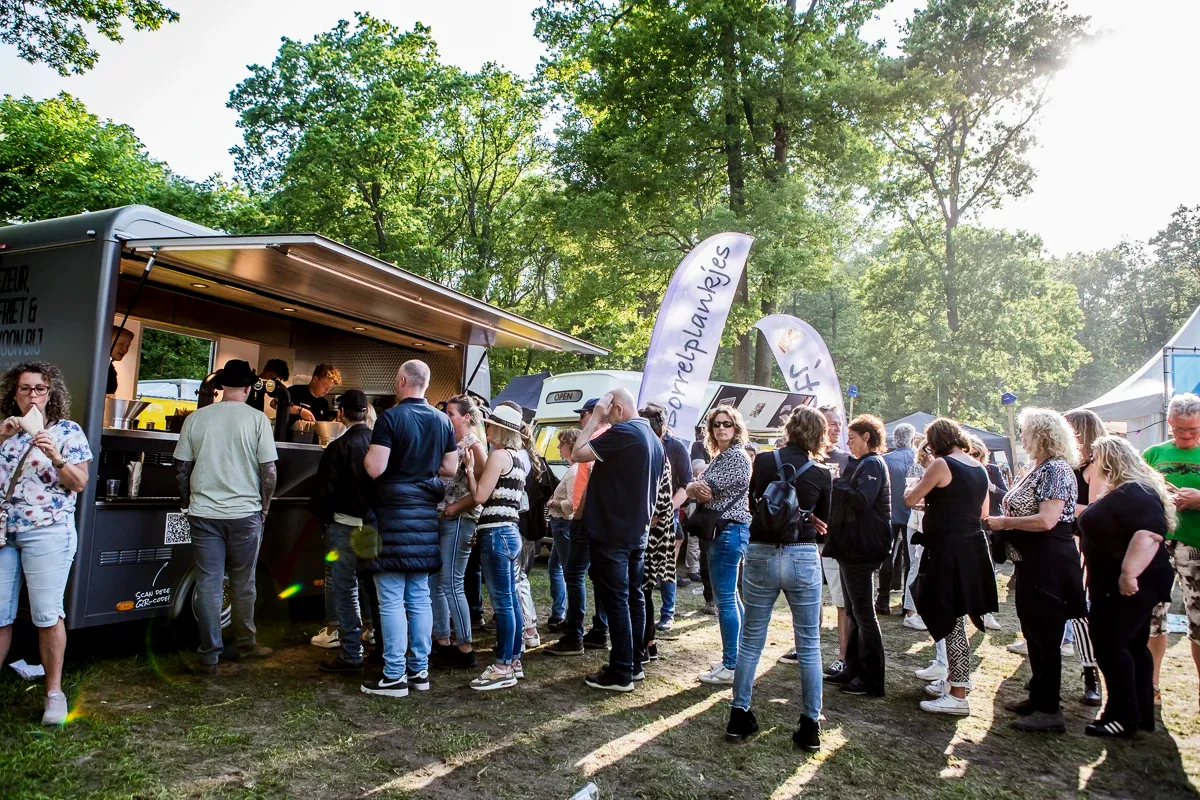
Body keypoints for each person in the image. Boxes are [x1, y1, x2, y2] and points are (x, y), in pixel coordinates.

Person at [725, 406, 832, 748]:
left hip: (761, 552)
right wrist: (807, 515)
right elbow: (825, 521)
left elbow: (754, 502)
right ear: (819, 435)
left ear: (789, 428)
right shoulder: (822, 473)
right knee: (809, 643)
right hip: (802, 553)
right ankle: (811, 724)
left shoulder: (764, 461)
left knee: (751, 640)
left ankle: (739, 715)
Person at [0, 362, 93, 724]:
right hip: (4, 532)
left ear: (50, 394)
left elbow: (79, 483)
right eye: (25, 389)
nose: (32, 395)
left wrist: (55, 456)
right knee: (0, 614)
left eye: (40, 389)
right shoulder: (6, 430)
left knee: (46, 614)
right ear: (14, 394)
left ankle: (54, 693)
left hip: (48, 530)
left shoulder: (68, 431)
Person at [174, 360, 278, 675]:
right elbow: (269, 471)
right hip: (245, 514)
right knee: (243, 582)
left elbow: (181, 468)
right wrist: (264, 507)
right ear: (248, 388)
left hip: (203, 513)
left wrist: (186, 503)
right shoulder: (258, 420)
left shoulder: (196, 418)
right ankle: (246, 645)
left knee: (208, 582)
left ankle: (209, 655)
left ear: (220, 387)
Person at [360, 361, 457, 698]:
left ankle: (393, 676)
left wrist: (367, 458)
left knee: (390, 599)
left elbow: (376, 467)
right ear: (426, 383)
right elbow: (450, 467)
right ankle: (419, 671)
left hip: (391, 515)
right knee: (418, 597)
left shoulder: (390, 418)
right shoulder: (443, 420)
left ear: (402, 380)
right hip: (424, 518)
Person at [986, 408, 1085, 733]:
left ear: (1041, 435)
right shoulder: (1038, 467)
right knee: (1033, 631)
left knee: (1046, 634)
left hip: (1049, 562)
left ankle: (1050, 708)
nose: (1022, 437)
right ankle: (1039, 695)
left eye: (1025, 432)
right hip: (1030, 561)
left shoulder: (1056, 469)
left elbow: (1047, 520)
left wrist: (1004, 523)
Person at [1077, 435, 1175, 737]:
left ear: (1108, 461)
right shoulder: (1128, 490)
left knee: (1109, 645)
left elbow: (1149, 534)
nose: (1090, 464)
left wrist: (1129, 573)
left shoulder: (1134, 492)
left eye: (1094, 458)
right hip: (1118, 584)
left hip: (1125, 586)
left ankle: (1121, 716)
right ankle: (1140, 713)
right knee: (1132, 645)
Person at [572, 388, 664, 692]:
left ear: (618, 409)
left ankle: (621, 671)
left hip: (612, 531)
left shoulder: (624, 431)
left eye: (608, 412)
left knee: (617, 600)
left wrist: (595, 417)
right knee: (633, 597)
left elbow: (577, 453)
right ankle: (634, 664)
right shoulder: (653, 438)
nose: (606, 419)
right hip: (636, 531)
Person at [904, 419, 999, 716]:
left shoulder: (942, 464)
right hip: (972, 547)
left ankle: (958, 692)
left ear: (936, 442)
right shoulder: (979, 467)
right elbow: (983, 512)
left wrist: (923, 493)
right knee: (955, 614)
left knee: (951, 617)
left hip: (948, 550)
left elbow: (909, 498)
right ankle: (952, 680)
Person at [824, 414, 891, 698]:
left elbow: (863, 500)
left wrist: (836, 481)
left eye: (851, 438)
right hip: (851, 547)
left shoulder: (873, 464)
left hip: (861, 548)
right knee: (854, 611)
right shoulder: (864, 464)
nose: (848, 443)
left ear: (867, 437)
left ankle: (872, 678)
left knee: (864, 614)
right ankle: (852, 668)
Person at [464, 404, 530, 690]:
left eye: (490, 424)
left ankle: (502, 667)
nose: (486, 428)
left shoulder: (499, 455)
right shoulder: (518, 459)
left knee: (502, 603)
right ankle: (513, 661)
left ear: (500, 429)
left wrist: (469, 470)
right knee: (511, 600)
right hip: (511, 533)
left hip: (496, 534)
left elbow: (480, 496)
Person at [308, 390, 374, 672]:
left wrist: (325, 523)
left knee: (345, 591)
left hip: (343, 525)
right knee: (374, 588)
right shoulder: (380, 445)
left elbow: (324, 492)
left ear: (342, 413)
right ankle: (380, 645)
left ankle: (351, 653)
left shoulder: (337, 447)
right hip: (372, 527)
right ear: (366, 412)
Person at [687, 406, 752, 686]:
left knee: (725, 599)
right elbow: (696, 487)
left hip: (728, 532)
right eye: (716, 424)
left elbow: (704, 490)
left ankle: (731, 664)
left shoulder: (735, 457)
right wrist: (695, 486)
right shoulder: (723, 457)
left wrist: (695, 486)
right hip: (725, 532)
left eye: (727, 424)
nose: (721, 428)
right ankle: (738, 660)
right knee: (731, 597)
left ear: (736, 428)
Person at [1144, 392, 1200, 711]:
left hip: (1197, 546)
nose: (1186, 436)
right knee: (1153, 616)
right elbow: (1135, 492)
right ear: (1169, 423)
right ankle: (1150, 686)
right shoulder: (1153, 454)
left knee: (1199, 622)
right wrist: (1160, 495)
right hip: (1158, 545)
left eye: (1193, 430)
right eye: (1180, 429)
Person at [547, 398, 612, 656]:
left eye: (583, 414)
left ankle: (574, 635)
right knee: (597, 576)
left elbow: (581, 467)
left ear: (595, 414)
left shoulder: (597, 437)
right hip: (597, 519)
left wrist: (578, 515)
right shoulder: (609, 438)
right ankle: (599, 630)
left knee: (574, 575)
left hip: (586, 519)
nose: (580, 419)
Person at [430, 394, 487, 670]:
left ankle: (465, 647)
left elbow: (483, 491)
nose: (447, 417)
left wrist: (455, 508)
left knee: (452, 582)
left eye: (451, 413)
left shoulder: (474, 445)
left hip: (460, 520)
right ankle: (442, 640)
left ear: (466, 417)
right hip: (442, 518)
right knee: (436, 582)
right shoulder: (449, 443)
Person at [1065, 408, 1107, 706]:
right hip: (1062, 541)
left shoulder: (1098, 463)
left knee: (1081, 612)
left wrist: (1059, 506)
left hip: (1083, 543)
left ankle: (1091, 675)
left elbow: (1096, 509)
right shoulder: (1067, 463)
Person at [637, 404, 676, 667]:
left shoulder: (654, 453)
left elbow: (659, 508)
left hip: (650, 535)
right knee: (645, 591)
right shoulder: (656, 451)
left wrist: (639, 526)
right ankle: (649, 644)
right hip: (652, 533)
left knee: (642, 590)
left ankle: (645, 646)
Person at [817, 404, 851, 676]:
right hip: (806, 539)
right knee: (809, 598)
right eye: (832, 423)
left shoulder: (847, 459)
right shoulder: (807, 456)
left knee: (841, 600)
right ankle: (806, 648)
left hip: (835, 539)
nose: (837, 428)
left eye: (839, 423)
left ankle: (843, 656)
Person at [658, 422, 692, 632]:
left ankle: (667, 614)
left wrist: (666, 510)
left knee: (666, 565)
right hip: (640, 514)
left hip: (667, 514)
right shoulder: (639, 441)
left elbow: (686, 484)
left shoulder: (676, 447)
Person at [879, 423, 916, 616]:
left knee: (887, 556)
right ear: (911, 439)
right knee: (911, 561)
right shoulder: (917, 459)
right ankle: (907, 603)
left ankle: (882, 600)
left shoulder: (885, 460)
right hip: (911, 516)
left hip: (890, 514)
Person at [547, 429, 581, 630]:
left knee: (568, 572)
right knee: (555, 567)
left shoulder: (574, 471)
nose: (559, 447)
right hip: (560, 525)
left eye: (562, 444)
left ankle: (566, 616)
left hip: (563, 525)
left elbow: (571, 505)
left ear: (571, 446)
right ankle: (559, 612)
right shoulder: (572, 469)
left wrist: (553, 503)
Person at [107, 326, 134, 395]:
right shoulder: (96, 367)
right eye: (120, 344)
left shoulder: (109, 368)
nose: (125, 349)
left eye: (127, 346)